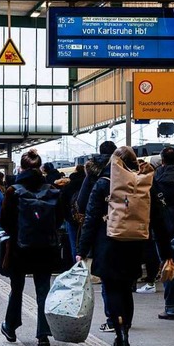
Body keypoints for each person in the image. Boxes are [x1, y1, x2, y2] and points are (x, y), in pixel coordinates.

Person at [76, 146, 172, 346]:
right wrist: (166, 252)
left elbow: (90, 217)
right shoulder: (145, 183)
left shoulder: (103, 183)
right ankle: (125, 331)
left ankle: (118, 331)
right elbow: (158, 220)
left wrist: (81, 250)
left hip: (107, 243)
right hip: (134, 244)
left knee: (111, 289)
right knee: (126, 290)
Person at [0, 149, 60, 346]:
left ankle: (10, 327)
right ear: (40, 168)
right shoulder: (51, 190)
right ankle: (43, 335)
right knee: (43, 290)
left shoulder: (13, 191)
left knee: (16, 289)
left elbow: (5, 222)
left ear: (22, 168)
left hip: (19, 249)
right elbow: (58, 220)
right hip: (45, 248)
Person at [75, 140, 117, 333]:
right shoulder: (126, 170)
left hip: (103, 230)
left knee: (108, 277)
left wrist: (82, 249)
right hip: (129, 230)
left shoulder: (93, 173)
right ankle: (124, 323)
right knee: (125, 281)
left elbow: (82, 203)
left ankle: (112, 319)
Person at [152, 147, 174, 320]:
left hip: (162, 227)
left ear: (162, 160)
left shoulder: (155, 178)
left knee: (168, 264)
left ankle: (172, 308)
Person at [59, 164, 86, 262]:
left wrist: (67, 217)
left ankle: (76, 267)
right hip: (87, 219)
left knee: (74, 245)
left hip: (72, 219)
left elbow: (62, 202)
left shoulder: (69, 185)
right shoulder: (90, 183)